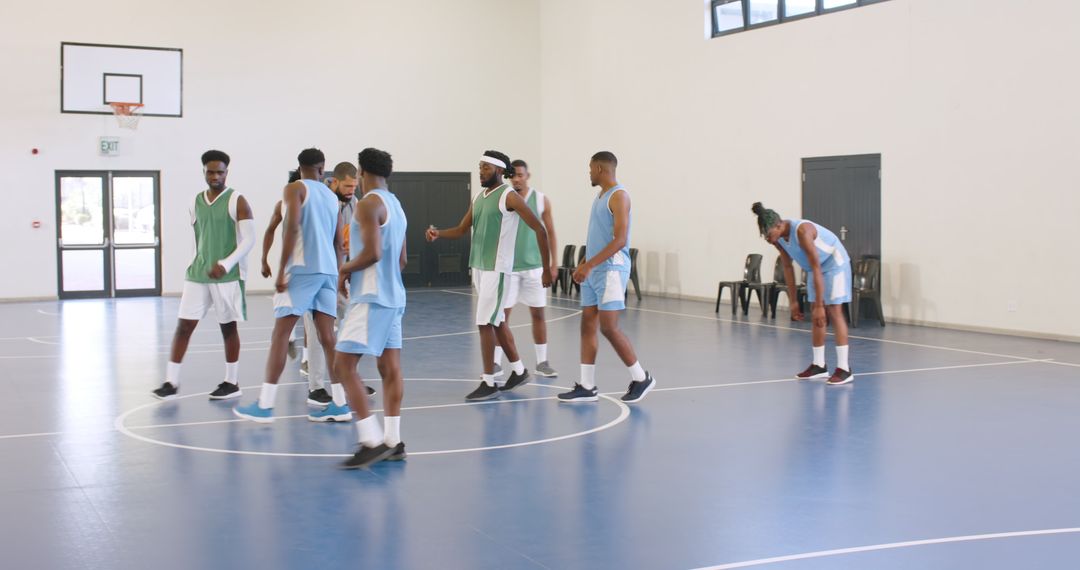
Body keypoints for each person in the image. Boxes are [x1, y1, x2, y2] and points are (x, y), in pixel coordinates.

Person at [426, 150, 552, 402]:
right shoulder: (479, 196)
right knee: (497, 322)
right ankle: (518, 371)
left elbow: (540, 229)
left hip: (498, 269)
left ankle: (489, 381)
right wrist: (439, 233)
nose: (480, 171)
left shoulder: (510, 197)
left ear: (498, 170)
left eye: (485, 167)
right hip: (480, 268)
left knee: (485, 323)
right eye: (479, 166)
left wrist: (547, 268)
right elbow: (462, 229)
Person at [234, 148, 349, 422]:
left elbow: (293, 227)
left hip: (301, 269)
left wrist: (282, 269)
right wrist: (338, 273)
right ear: (323, 169)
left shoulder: (294, 189)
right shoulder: (332, 198)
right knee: (328, 338)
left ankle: (265, 404)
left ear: (300, 168)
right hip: (327, 271)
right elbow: (338, 243)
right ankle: (341, 403)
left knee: (281, 334)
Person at [152, 150, 254, 401]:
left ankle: (232, 382)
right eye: (211, 172)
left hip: (227, 276)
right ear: (204, 172)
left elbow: (249, 239)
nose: (215, 176)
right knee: (183, 325)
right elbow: (199, 239)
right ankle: (170, 382)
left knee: (227, 328)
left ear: (227, 172)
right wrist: (194, 263)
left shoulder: (237, 200)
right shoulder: (195, 201)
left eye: (220, 171)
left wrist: (226, 263)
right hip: (198, 274)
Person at [558, 151, 656, 403]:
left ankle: (641, 378)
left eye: (590, 168)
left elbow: (620, 239)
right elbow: (597, 234)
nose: (589, 173)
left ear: (600, 168)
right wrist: (584, 261)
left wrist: (589, 264)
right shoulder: (599, 196)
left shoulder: (619, 196)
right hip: (595, 269)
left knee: (609, 327)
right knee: (587, 325)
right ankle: (587, 386)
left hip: (612, 269)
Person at [335, 148, 407, 469]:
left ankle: (371, 440)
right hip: (394, 297)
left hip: (371, 297)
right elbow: (401, 260)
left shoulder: (367, 204)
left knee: (342, 367)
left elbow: (374, 254)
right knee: (390, 368)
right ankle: (393, 440)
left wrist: (344, 269)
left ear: (362, 172)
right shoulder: (397, 206)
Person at [752, 202, 854, 385]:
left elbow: (816, 265)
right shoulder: (779, 240)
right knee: (816, 315)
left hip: (834, 265)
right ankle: (818, 365)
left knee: (833, 311)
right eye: (765, 237)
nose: (768, 240)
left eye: (769, 235)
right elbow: (787, 267)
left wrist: (820, 305)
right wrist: (793, 301)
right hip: (815, 270)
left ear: (779, 225)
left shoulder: (802, 231)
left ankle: (845, 369)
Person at [491, 159, 559, 379]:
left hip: (535, 268)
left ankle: (542, 362)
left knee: (538, 313)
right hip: (508, 268)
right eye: (513, 176)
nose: (517, 179)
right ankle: (495, 362)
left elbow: (550, 232)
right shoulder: (505, 199)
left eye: (520, 175)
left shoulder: (540, 201)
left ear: (527, 176)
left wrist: (552, 263)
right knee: (502, 317)